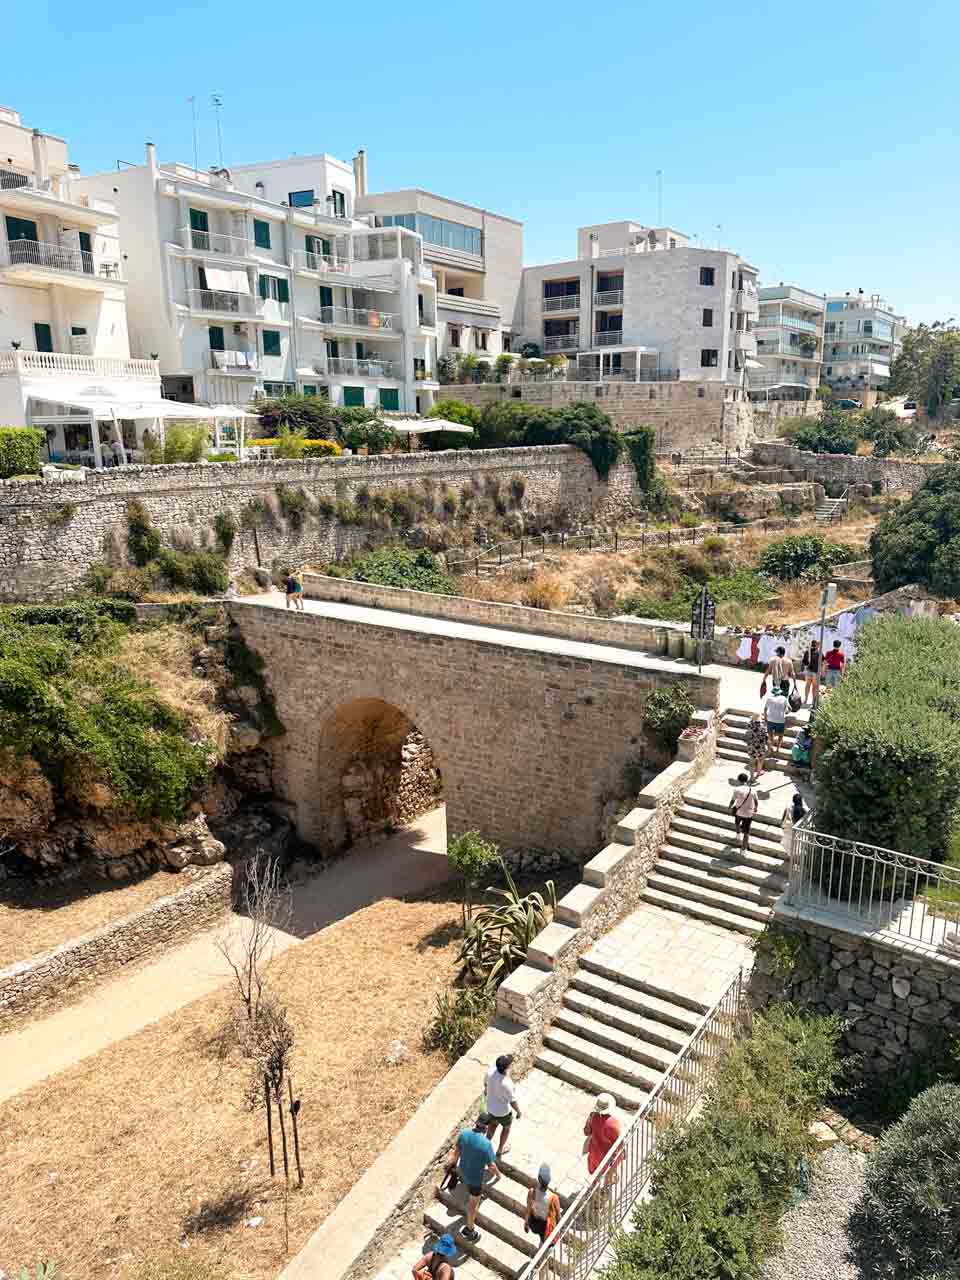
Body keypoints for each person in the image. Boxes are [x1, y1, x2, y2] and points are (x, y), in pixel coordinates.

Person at [448, 1113, 498, 1242]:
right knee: (472, 1207)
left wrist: (453, 1168)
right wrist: (498, 1175)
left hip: (463, 1171)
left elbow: (456, 1152)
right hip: (475, 1179)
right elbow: (491, 1166)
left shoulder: (464, 1134)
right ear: (486, 1128)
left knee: (470, 1192)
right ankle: (470, 1230)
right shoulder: (486, 1144)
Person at [485, 1054, 521, 1159]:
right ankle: (500, 1149)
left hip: (491, 1108)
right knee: (506, 1128)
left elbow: (485, 1085)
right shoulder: (507, 1083)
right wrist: (518, 1112)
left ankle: (485, 1146)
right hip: (503, 1112)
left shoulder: (490, 1072)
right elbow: (512, 1101)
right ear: (507, 1068)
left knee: (492, 1126)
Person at [584, 1094, 621, 1176]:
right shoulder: (613, 1123)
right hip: (606, 1155)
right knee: (607, 1173)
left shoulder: (593, 1116)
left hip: (594, 1152)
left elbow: (586, 1132)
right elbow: (618, 1142)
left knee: (594, 1174)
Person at [524, 1163, 562, 1246]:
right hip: (544, 1226)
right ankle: (542, 1245)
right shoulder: (553, 1198)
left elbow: (528, 1209)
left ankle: (542, 1243)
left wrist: (526, 1222)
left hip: (533, 1222)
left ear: (538, 1178)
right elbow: (558, 1216)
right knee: (544, 1238)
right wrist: (559, 1230)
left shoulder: (532, 1192)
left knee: (540, 1234)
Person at [730, 772, 759, 852]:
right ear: (747, 780)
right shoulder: (752, 790)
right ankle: (743, 850)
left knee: (737, 822)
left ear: (739, 780)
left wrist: (729, 806)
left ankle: (738, 834)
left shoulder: (737, 789)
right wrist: (755, 808)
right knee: (746, 833)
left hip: (739, 811)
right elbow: (756, 801)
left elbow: (733, 800)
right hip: (749, 813)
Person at [764, 680, 790, 757]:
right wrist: (786, 712)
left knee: (770, 736)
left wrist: (766, 718)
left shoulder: (769, 698)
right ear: (780, 692)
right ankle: (778, 749)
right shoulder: (784, 698)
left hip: (770, 719)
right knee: (780, 735)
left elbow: (765, 710)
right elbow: (789, 709)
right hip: (780, 720)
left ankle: (770, 748)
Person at [781, 792, 806, 858]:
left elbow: (783, 819)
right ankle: (792, 857)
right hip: (797, 831)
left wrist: (782, 825)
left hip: (789, 829)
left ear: (793, 800)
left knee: (787, 844)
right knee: (795, 845)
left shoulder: (788, 808)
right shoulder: (803, 810)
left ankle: (790, 856)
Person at [745, 715, 769, 781]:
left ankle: (752, 777)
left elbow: (746, 736)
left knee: (752, 762)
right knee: (760, 760)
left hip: (751, 747)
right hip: (760, 747)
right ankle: (758, 772)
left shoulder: (749, 726)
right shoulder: (763, 727)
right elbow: (766, 737)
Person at [801, 640, 821, 705]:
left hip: (808, 671)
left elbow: (804, 662)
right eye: (818, 644)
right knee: (814, 687)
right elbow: (823, 662)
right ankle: (813, 701)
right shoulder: (819, 653)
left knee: (807, 685)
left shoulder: (807, 651)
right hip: (815, 672)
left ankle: (806, 699)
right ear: (816, 645)